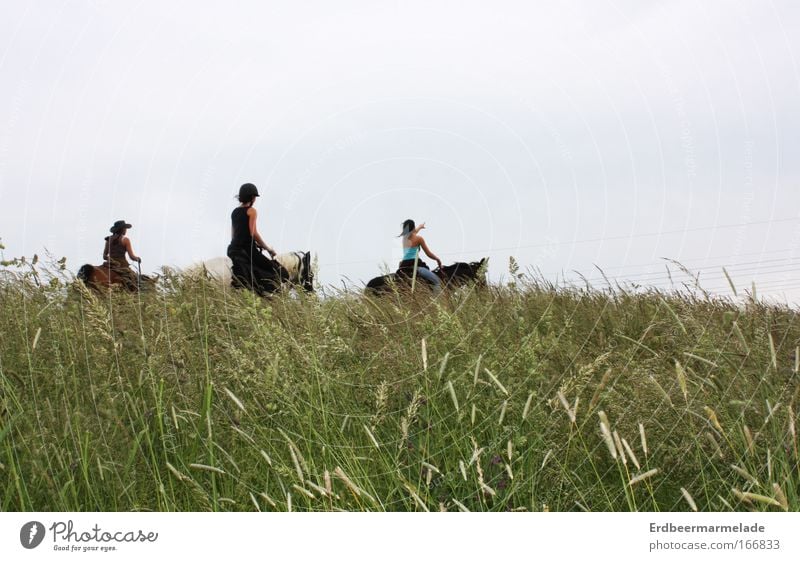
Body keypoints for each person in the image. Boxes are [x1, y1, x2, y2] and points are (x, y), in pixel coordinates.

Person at [227, 183, 286, 294]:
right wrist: (268, 249)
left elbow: (234, 235)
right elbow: (253, 233)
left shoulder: (234, 212)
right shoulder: (252, 211)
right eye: (255, 197)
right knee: (275, 270)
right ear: (252, 198)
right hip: (248, 250)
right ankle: (265, 293)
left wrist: (254, 243)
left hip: (233, 249)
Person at [398, 219, 442, 293]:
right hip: (415, 266)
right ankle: (436, 302)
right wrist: (437, 259)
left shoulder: (404, 238)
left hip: (404, 266)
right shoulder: (419, 239)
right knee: (437, 281)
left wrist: (420, 227)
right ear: (413, 228)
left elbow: (413, 232)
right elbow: (428, 254)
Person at [102, 220, 141, 290]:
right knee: (134, 281)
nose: (126, 230)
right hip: (122, 264)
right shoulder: (125, 240)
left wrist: (111, 259)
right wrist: (138, 259)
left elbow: (104, 257)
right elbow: (131, 257)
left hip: (110, 263)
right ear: (122, 229)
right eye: (125, 228)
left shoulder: (108, 240)